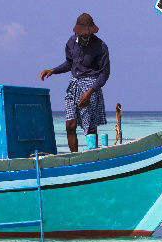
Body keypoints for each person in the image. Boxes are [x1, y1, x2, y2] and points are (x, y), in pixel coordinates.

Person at [40, 13, 110, 152]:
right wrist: (53, 70)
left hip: (91, 86)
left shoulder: (101, 46)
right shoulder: (71, 42)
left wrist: (89, 92)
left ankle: (93, 155)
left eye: (87, 35)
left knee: (89, 127)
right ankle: (74, 157)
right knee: (70, 125)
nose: (85, 38)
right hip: (74, 85)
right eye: (82, 35)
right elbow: (69, 64)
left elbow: (104, 73)